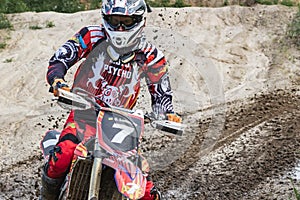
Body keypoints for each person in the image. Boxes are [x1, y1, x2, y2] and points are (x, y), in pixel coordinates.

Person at [40, 0, 182, 199]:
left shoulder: (151, 56)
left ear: (140, 20)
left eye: (126, 21)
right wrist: (57, 80)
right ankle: (46, 197)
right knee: (63, 154)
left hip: (121, 125)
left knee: (145, 190)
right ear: (106, 18)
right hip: (84, 114)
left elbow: (161, 93)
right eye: (115, 20)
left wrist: (168, 114)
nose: (120, 27)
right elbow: (61, 58)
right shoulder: (91, 36)